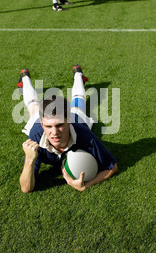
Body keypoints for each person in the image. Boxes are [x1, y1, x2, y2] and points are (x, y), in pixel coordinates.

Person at [17, 65, 118, 193]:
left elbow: (112, 167)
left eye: (59, 125)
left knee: (78, 101)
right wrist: (30, 160)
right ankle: (25, 78)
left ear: (68, 121)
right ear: (42, 125)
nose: (54, 132)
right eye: (48, 127)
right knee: (33, 106)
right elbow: (26, 188)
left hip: (76, 119)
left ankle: (78, 75)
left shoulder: (84, 135)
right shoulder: (36, 136)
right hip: (40, 122)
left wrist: (86, 185)